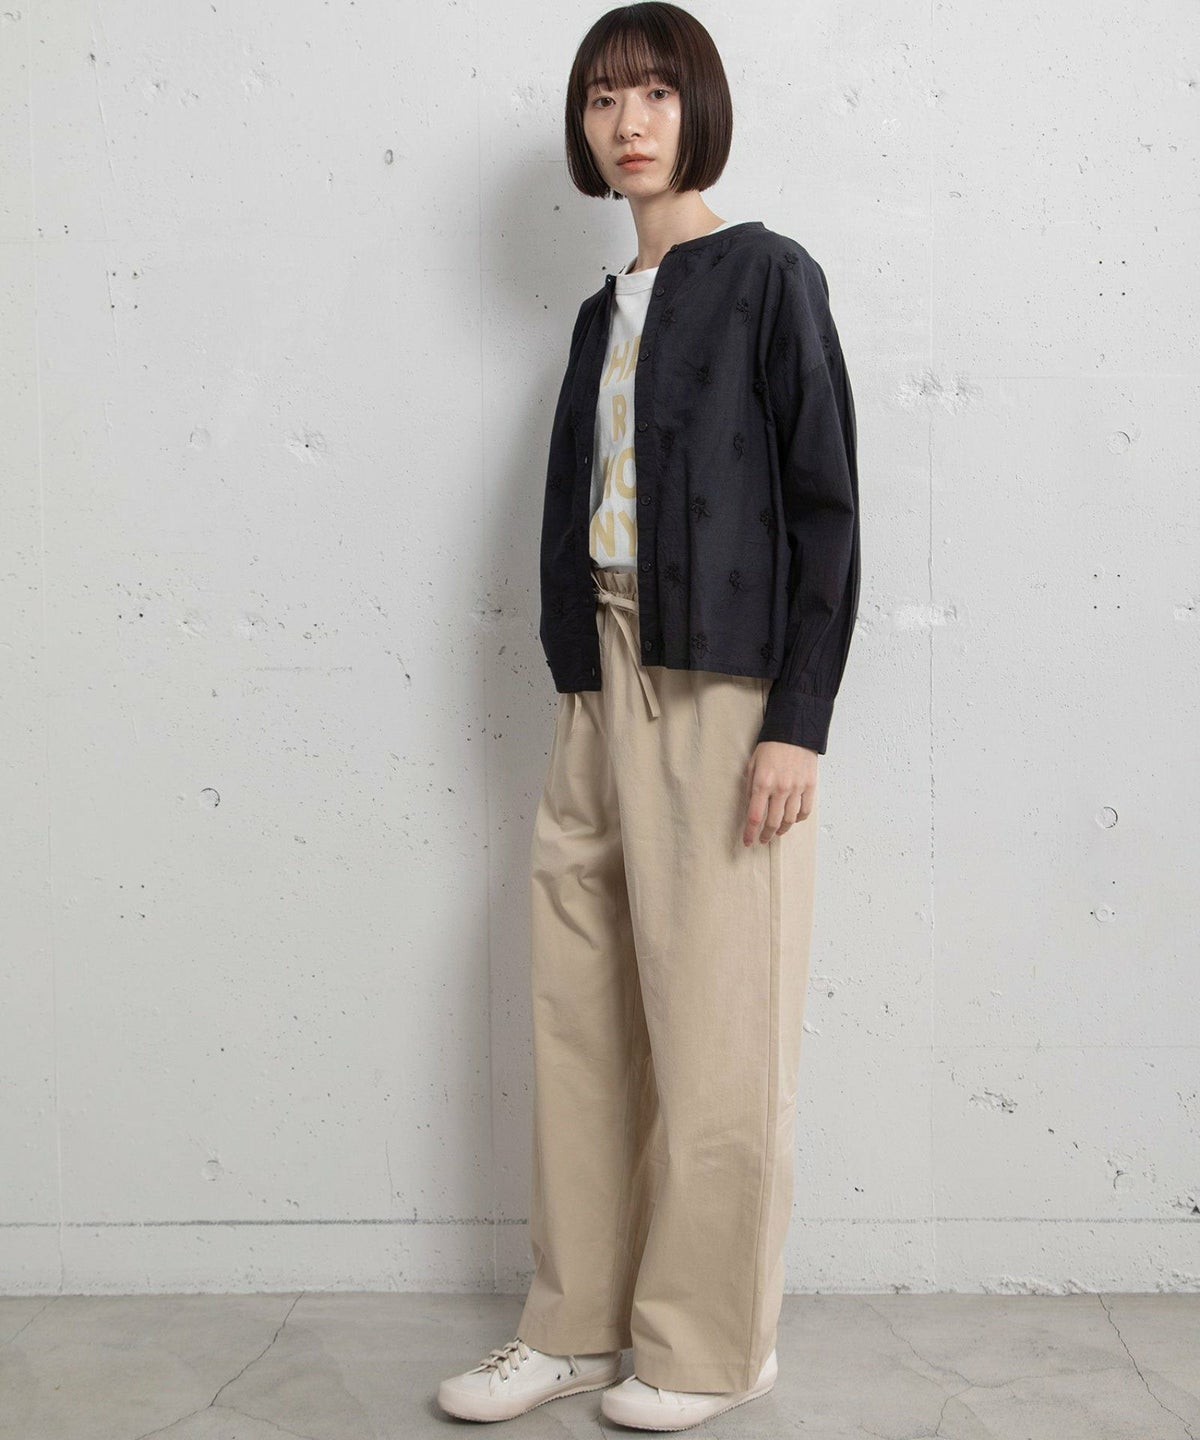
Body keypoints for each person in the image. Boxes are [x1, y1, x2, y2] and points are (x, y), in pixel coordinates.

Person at [438, 2, 860, 1430]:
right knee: (579, 1014)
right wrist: (580, 674)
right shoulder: (598, 311)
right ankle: (574, 1325)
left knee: (720, 1027)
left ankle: (710, 1345)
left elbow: (827, 510)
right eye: (604, 98)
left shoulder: (770, 278)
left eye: (657, 95)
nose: (628, 123)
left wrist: (796, 719)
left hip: (721, 686)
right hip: (595, 681)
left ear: (700, 112)